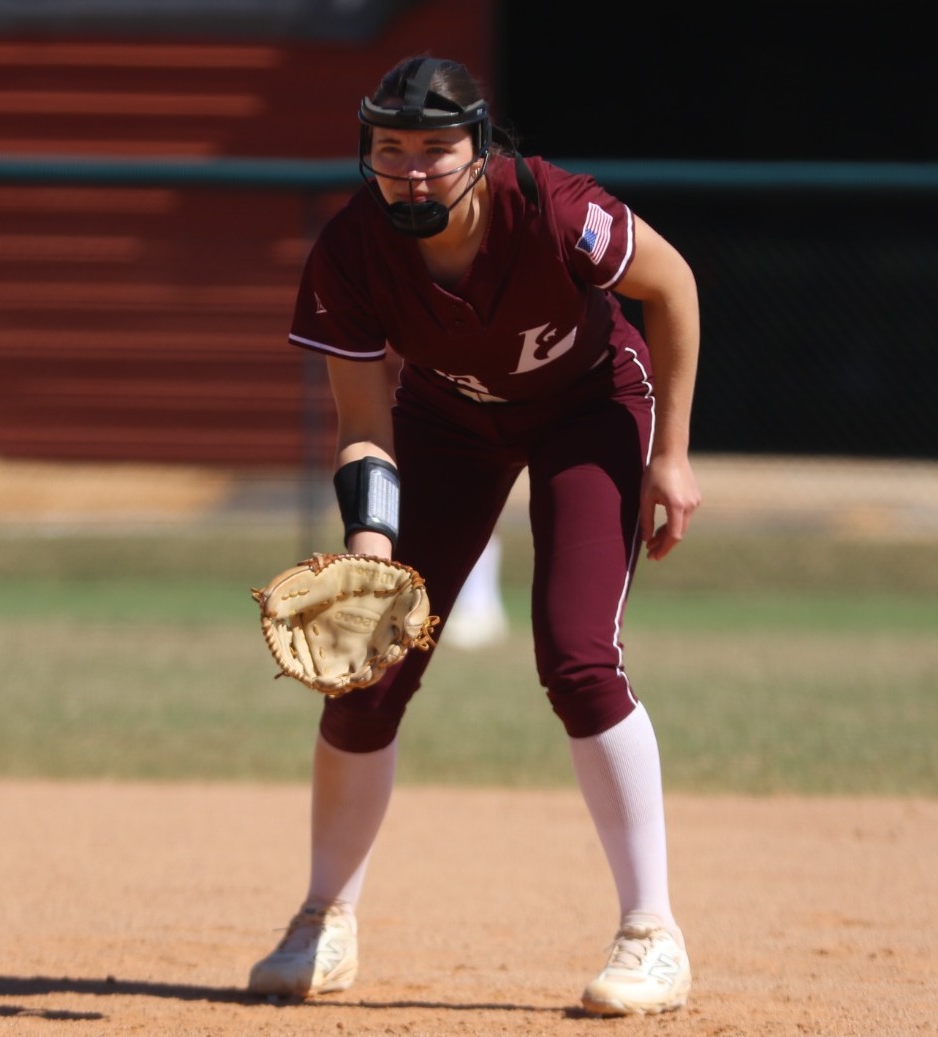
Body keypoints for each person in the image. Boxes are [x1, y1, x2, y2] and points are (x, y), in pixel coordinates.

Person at [247, 54, 702, 1017]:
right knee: (367, 668)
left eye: (435, 149)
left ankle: (651, 933)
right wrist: (371, 545)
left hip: (590, 406)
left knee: (578, 658)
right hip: (449, 420)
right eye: (390, 149)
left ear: (478, 148)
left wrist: (671, 454)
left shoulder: (552, 208)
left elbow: (674, 286)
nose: (412, 171)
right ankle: (325, 919)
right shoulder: (351, 249)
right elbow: (364, 420)